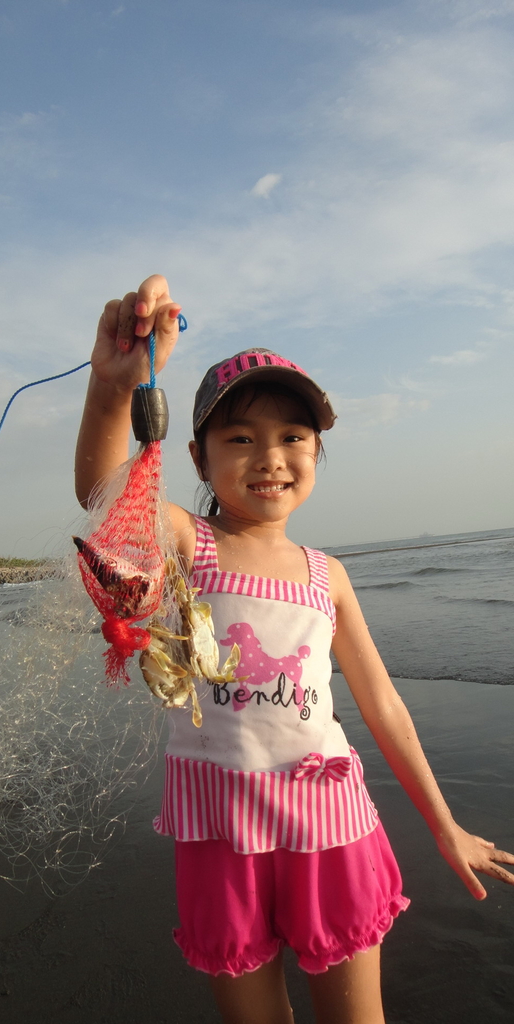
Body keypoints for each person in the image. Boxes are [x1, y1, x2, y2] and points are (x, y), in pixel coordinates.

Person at [75, 275, 514, 1024]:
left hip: (331, 827)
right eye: (240, 438)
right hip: (218, 834)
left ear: (317, 452)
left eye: (293, 438)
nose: (269, 457)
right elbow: (105, 499)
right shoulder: (188, 540)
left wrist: (446, 828)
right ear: (197, 455)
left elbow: (384, 706)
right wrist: (114, 391)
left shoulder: (328, 575)